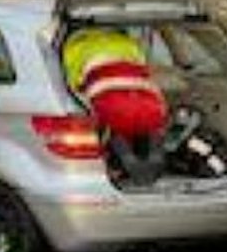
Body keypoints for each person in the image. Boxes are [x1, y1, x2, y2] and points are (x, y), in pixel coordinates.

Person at [63, 25, 169, 184]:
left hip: (115, 106)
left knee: (113, 123)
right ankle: (150, 160)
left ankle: (121, 163)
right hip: (148, 105)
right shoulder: (130, 44)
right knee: (139, 123)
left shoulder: (72, 48)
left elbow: (71, 86)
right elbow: (141, 69)